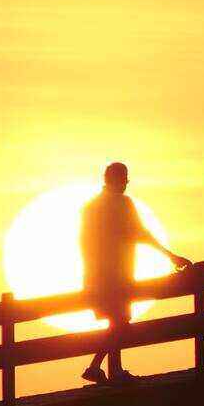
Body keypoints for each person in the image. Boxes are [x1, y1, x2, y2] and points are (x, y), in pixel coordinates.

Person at [80, 161, 190, 384]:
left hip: (96, 275)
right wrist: (170, 255)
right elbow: (140, 233)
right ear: (117, 180)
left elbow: (84, 243)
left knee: (117, 322)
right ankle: (100, 368)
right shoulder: (122, 204)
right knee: (120, 322)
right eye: (125, 179)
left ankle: (110, 369)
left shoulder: (91, 207)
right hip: (117, 275)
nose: (126, 184)